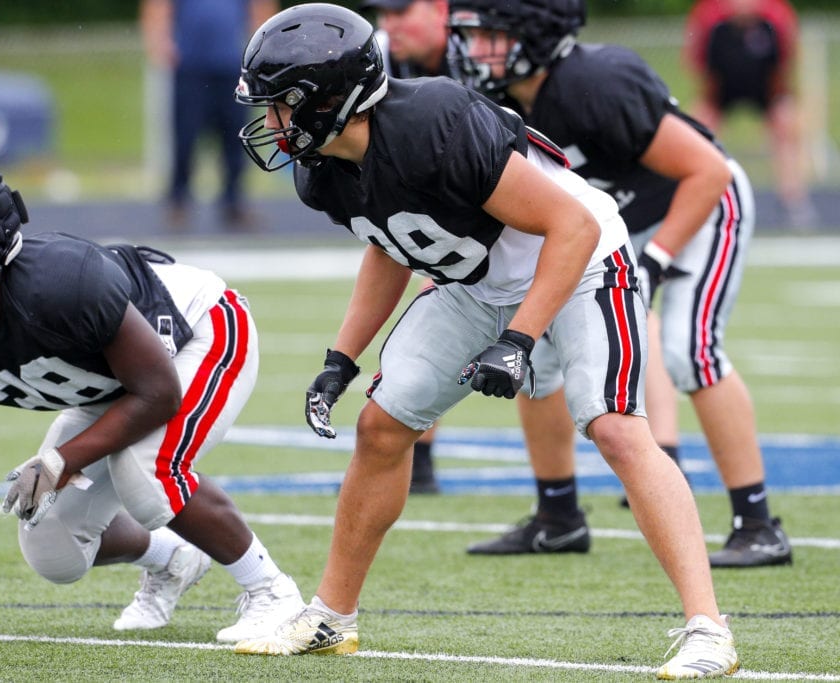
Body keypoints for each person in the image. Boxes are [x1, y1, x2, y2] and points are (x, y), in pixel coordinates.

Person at [231, 4, 738, 678]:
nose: (270, 122)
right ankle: (332, 615)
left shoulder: (434, 121)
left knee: (615, 427)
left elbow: (571, 226)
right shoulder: (322, 169)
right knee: (381, 427)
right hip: (476, 282)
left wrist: (521, 337)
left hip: (583, 262)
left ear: (332, 100)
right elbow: (388, 245)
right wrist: (341, 358)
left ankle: (708, 627)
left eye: (282, 104)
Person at [0, 160, 304, 643]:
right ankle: (171, 557)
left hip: (199, 332)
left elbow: (159, 393)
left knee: (145, 466)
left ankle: (273, 593)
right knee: (52, 547)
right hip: (118, 384)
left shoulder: (62, 283)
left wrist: (61, 460)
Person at [449, 0, 793, 571]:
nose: (475, 49)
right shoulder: (498, 101)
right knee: (532, 348)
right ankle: (557, 517)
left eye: (490, 34)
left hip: (700, 207)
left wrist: (654, 261)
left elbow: (707, 170)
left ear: (536, 36)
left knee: (690, 350)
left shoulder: (595, 81)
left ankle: (757, 523)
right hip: (613, 227)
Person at [362, 0, 461, 494]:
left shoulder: (483, 51)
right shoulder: (375, 57)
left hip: (510, 197)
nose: (389, 25)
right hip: (430, 202)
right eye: (384, 14)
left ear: (442, 8)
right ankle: (419, 455)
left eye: (402, 11)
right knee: (432, 306)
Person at [139, 0, 278, 231]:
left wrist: (263, 51)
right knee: (185, 137)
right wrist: (159, 43)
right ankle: (178, 200)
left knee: (236, 137)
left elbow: (260, 8)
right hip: (190, 68)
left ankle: (233, 201)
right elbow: (158, 7)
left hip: (231, 66)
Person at [683, 0, 817, 229]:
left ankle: (793, 200)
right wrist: (711, 100)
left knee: (787, 122)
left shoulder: (777, 15)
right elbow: (697, 63)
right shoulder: (708, 16)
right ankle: (692, 198)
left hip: (765, 87)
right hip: (722, 89)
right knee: (694, 129)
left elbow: (787, 60)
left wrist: (779, 98)